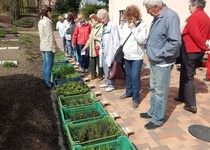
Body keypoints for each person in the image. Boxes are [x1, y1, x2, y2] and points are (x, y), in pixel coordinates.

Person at [140, 0, 182, 130]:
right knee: (153, 88)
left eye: (148, 9)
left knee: (160, 92)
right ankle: (152, 111)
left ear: (156, 7)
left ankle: (157, 119)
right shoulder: (158, 16)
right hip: (155, 61)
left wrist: (159, 54)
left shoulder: (170, 16)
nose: (147, 12)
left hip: (162, 62)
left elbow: (175, 42)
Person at [174, 0, 210, 114]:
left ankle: (191, 104)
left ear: (194, 6)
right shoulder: (206, 17)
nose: (189, 8)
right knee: (184, 73)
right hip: (196, 51)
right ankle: (182, 96)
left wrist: (204, 47)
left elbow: (196, 35)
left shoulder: (194, 17)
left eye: (190, 6)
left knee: (188, 76)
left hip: (191, 50)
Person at [119, 5, 147, 109]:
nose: (130, 20)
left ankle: (136, 98)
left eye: (132, 17)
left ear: (136, 16)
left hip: (137, 56)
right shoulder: (126, 25)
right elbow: (122, 38)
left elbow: (142, 40)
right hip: (127, 55)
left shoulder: (142, 25)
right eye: (128, 17)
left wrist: (134, 29)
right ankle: (128, 92)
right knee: (128, 75)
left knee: (135, 76)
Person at [97, 9, 121, 92]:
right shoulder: (103, 26)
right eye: (100, 19)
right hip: (104, 50)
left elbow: (116, 40)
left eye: (103, 18)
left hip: (110, 51)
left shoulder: (112, 25)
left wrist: (115, 53)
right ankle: (107, 82)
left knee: (110, 68)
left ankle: (112, 84)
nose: (102, 20)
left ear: (107, 16)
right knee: (105, 67)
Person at [38, 7, 58, 89]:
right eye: (51, 12)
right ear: (48, 12)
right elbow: (50, 36)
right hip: (48, 46)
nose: (52, 14)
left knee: (45, 64)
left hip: (43, 45)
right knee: (49, 65)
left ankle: (46, 80)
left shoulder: (41, 21)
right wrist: (53, 48)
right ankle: (48, 83)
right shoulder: (47, 22)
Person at [82, 14, 104, 81]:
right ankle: (93, 74)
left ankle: (100, 75)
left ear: (96, 21)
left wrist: (97, 38)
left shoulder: (101, 27)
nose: (91, 22)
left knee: (99, 61)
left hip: (97, 47)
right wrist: (85, 47)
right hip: (92, 47)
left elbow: (104, 38)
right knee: (92, 61)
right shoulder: (93, 28)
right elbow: (90, 39)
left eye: (92, 21)